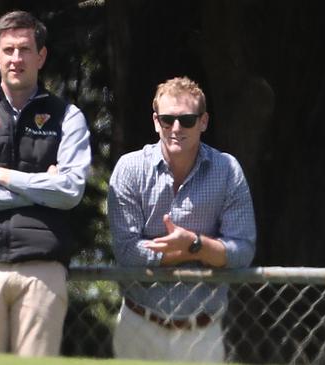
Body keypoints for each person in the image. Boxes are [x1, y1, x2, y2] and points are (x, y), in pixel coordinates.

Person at [0, 10, 91, 357]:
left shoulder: (68, 118)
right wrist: (43, 188)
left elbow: (70, 191)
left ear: (41, 56)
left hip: (42, 270)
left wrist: (6, 177)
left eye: (25, 49)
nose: (16, 58)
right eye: (8, 50)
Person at [108, 76, 256, 362]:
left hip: (202, 332)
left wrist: (194, 244)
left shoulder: (227, 170)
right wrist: (196, 252)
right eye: (167, 119)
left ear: (203, 122)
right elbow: (126, 252)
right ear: (155, 121)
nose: (176, 128)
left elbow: (243, 250)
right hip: (137, 325)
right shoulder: (129, 169)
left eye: (187, 120)